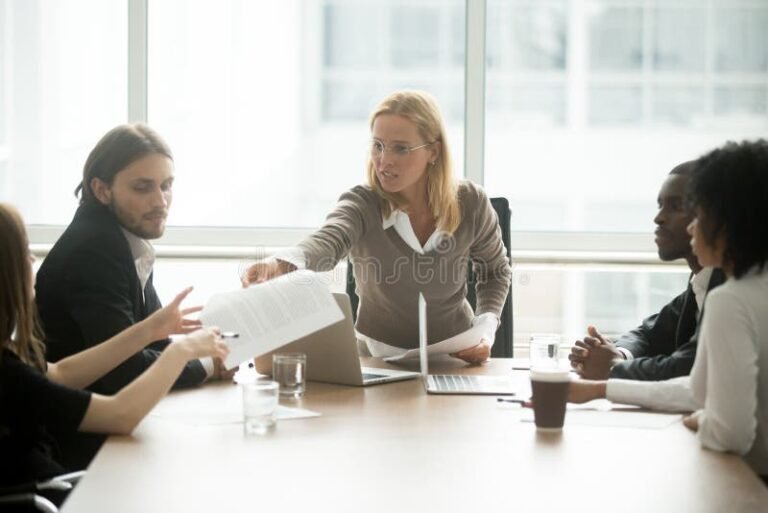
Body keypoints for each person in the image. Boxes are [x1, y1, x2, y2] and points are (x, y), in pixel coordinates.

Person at [243, 90, 511, 364]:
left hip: (456, 359)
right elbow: (327, 242)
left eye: (400, 148)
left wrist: (484, 331)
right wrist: (280, 263)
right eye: (378, 145)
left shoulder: (470, 202)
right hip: (377, 363)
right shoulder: (362, 203)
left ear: (433, 151)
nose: (384, 161)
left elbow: (495, 271)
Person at [569, 140, 768, 484]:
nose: (692, 228)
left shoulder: (729, 299)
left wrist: (703, 420)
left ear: (731, 220)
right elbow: (697, 389)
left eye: (699, 213)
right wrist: (600, 389)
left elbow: (729, 433)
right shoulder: (748, 285)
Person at [0, 203, 229, 500]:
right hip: (50, 498)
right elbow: (120, 415)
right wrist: (183, 350)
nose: (32, 259)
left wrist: (149, 329)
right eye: (24, 251)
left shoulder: (9, 355)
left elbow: (61, 373)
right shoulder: (7, 373)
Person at [35, 123, 233, 395]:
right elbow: (125, 372)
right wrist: (207, 365)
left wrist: (208, 352)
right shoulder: (92, 251)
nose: (160, 201)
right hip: (76, 427)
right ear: (102, 191)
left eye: (166, 186)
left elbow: (151, 341)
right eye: (143, 188)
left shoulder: (127, 238)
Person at [568, 162, 725, 380]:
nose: (658, 217)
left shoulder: (729, 285)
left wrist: (614, 367)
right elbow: (649, 333)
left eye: (676, 206)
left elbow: (690, 367)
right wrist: (619, 355)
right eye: (660, 205)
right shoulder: (702, 279)